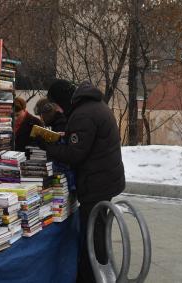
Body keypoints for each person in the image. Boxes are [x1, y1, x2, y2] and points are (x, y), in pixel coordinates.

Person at [39, 79, 125, 283]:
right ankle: (99, 272)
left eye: (56, 104)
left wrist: (47, 145)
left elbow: (75, 154)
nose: (58, 109)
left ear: (62, 99)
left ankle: (90, 277)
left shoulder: (83, 114)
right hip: (106, 178)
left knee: (92, 234)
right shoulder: (94, 107)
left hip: (95, 182)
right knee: (98, 230)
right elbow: (86, 142)